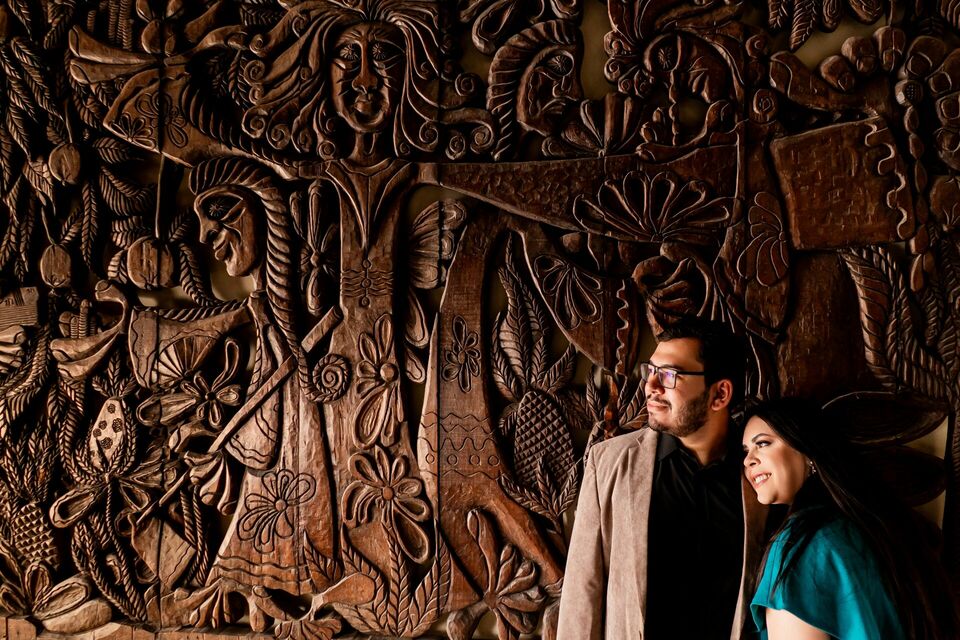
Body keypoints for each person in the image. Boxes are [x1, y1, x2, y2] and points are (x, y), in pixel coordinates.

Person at [557, 317, 767, 640]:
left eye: (669, 375)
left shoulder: (760, 474)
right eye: (650, 370)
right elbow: (581, 597)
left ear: (720, 393)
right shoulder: (609, 463)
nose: (651, 386)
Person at [743, 398, 959, 640]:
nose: (748, 460)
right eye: (745, 451)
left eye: (762, 443)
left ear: (805, 448)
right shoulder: (881, 529)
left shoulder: (799, 545)